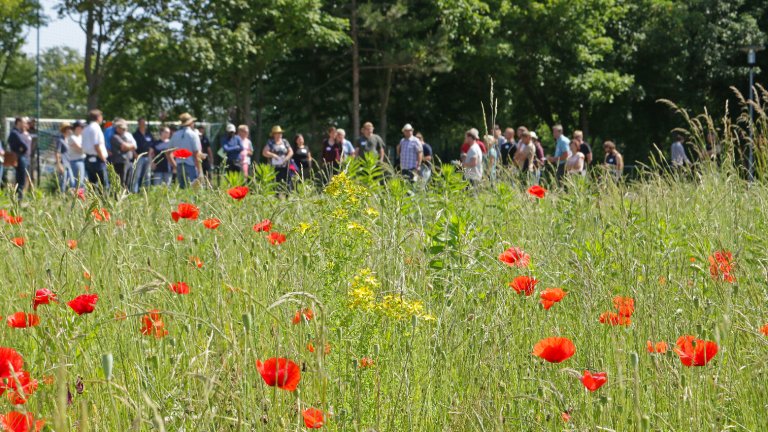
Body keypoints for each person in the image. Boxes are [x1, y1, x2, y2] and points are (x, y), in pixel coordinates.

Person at [169, 112, 203, 188]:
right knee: (193, 191)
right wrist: (200, 170)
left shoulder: (175, 135)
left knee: (182, 190)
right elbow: (196, 154)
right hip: (190, 166)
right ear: (191, 123)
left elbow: (167, 152)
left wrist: (174, 165)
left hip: (179, 166)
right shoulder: (193, 135)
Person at [82, 110, 109, 190]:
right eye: (101, 116)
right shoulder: (96, 128)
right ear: (98, 117)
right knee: (103, 184)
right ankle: (103, 200)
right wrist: (103, 159)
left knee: (92, 183)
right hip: (98, 159)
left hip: (88, 158)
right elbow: (97, 145)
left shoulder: (86, 128)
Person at [7, 117, 32, 200]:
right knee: (21, 180)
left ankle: (19, 197)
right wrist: (20, 150)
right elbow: (24, 145)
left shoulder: (20, 133)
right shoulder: (14, 133)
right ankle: (19, 199)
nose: (25, 124)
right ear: (18, 122)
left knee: (22, 179)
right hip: (20, 157)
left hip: (23, 157)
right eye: (23, 122)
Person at [110, 120, 137, 189]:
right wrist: (129, 146)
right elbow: (124, 147)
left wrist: (129, 146)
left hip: (128, 161)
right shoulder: (115, 137)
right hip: (120, 163)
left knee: (128, 182)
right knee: (121, 182)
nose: (124, 130)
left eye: (125, 128)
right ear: (117, 128)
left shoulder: (125, 136)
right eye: (122, 128)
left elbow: (134, 146)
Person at [132, 118, 154, 192]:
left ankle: (147, 192)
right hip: (139, 157)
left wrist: (151, 153)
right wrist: (135, 155)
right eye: (142, 123)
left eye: (144, 123)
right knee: (137, 176)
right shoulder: (135, 135)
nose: (143, 124)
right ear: (138, 124)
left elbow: (152, 144)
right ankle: (134, 192)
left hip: (148, 157)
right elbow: (132, 147)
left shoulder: (149, 134)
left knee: (147, 175)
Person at [54, 122, 74, 192]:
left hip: (68, 163)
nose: (70, 130)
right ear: (65, 129)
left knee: (72, 181)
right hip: (63, 163)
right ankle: (62, 198)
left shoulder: (67, 139)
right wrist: (59, 165)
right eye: (68, 128)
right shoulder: (60, 140)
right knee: (63, 182)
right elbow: (57, 152)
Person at [68, 121, 86, 189]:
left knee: (83, 182)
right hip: (76, 161)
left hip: (83, 160)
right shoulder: (72, 137)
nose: (83, 129)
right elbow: (80, 150)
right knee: (79, 182)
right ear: (77, 128)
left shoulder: (81, 137)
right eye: (82, 127)